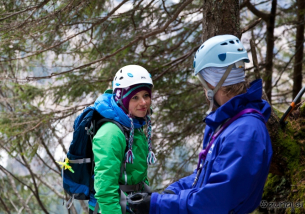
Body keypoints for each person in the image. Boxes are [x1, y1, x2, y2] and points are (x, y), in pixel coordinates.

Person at [128, 35, 273, 214]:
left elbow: (214, 200)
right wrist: (173, 191)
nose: (205, 90)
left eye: (204, 83)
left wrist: (157, 204)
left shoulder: (245, 132)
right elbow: (205, 178)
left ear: (214, 83)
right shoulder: (230, 124)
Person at [89, 65, 156, 214]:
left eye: (146, 95)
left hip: (134, 204)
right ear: (122, 99)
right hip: (116, 208)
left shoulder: (134, 125)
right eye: (135, 97)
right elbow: (105, 190)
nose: (143, 102)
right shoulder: (111, 133)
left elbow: (139, 175)